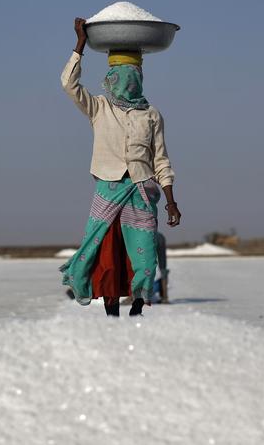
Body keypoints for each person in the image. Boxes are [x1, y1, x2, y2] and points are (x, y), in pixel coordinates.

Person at [59, 17, 181, 316]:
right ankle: (112, 318)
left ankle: (137, 311)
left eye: (133, 72)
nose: (128, 78)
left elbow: (161, 159)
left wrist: (171, 200)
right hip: (109, 188)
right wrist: (80, 44)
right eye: (120, 73)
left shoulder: (151, 115)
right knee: (107, 256)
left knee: (144, 257)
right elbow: (68, 84)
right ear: (110, 77)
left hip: (142, 190)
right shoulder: (99, 107)